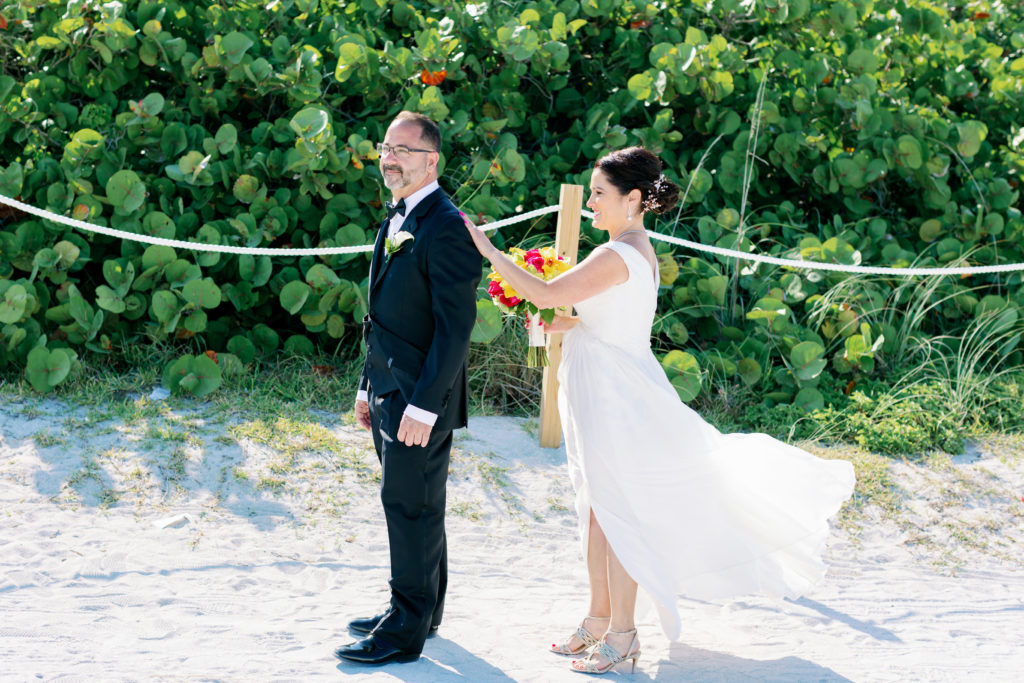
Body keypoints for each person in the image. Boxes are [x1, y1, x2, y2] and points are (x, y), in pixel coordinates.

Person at [463, 146, 855, 675]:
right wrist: (572, 325)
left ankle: (623, 637)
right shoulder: (632, 247)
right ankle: (599, 618)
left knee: (620, 513)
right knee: (597, 510)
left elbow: (545, 290)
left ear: (632, 199)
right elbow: (612, 319)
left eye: (599, 195)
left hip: (617, 398)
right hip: (604, 387)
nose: (592, 205)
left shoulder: (617, 253)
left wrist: (486, 247)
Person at [334, 111, 482, 665]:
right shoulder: (400, 213)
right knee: (419, 502)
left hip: (421, 396)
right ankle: (423, 609)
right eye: (385, 148)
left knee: (408, 504)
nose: (389, 159)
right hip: (388, 386)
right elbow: (385, 313)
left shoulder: (445, 225)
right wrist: (366, 384)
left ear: (431, 161)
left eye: (403, 150)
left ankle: (404, 629)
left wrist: (423, 404)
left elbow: (455, 327)